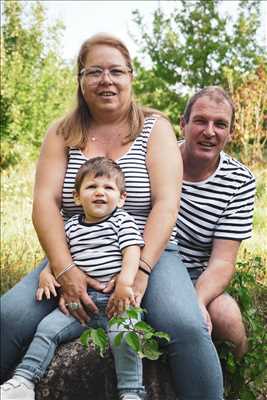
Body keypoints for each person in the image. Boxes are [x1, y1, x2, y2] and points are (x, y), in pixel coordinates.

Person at [1, 33, 224, 400]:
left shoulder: (156, 128)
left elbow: (167, 203)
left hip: (149, 250)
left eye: (116, 71)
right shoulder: (61, 132)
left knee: (184, 324)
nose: (106, 80)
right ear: (80, 79)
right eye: (95, 72)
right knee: (9, 315)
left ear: (131, 77)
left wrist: (140, 271)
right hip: (78, 248)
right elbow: (44, 202)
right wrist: (64, 269)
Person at [1, 156, 147, 400]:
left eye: (108, 188)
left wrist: (124, 283)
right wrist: (48, 274)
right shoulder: (70, 226)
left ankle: (131, 392)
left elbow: (132, 252)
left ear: (121, 199)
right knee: (46, 329)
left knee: (125, 334)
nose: (100, 192)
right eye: (91, 187)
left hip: (116, 302)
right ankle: (24, 381)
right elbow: (59, 257)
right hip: (79, 305)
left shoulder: (123, 221)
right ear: (78, 196)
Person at [177, 86, 256, 359]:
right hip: (147, 268)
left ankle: (239, 378)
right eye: (200, 121)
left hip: (200, 278)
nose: (210, 132)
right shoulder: (158, 161)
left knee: (227, 315)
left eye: (220, 124)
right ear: (183, 124)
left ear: (231, 133)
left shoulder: (240, 181)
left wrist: (196, 302)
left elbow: (223, 261)